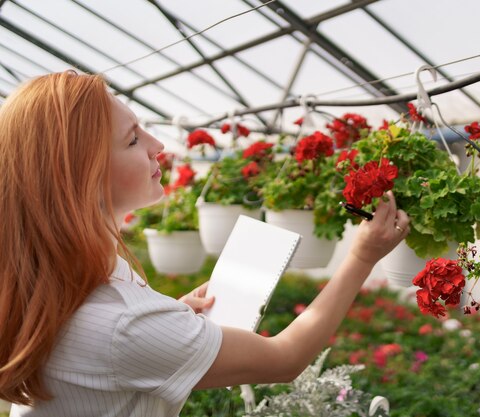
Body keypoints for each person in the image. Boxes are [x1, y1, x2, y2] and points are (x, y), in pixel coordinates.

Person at [0, 71, 410, 417]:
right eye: (131, 140)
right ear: (80, 176)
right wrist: (362, 255)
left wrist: (166, 318)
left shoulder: (55, 278)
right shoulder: (121, 326)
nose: (157, 145)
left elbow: (108, 348)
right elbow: (285, 359)